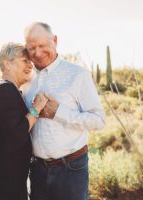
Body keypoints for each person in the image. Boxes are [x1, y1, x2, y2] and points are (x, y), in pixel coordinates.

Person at [23, 22, 106, 200]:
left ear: (55, 40)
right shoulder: (25, 80)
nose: (37, 53)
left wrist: (59, 113)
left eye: (42, 45)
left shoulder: (77, 75)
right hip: (36, 171)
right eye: (32, 48)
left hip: (71, 170)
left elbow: (99, 120)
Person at [0, 42, 49, 200]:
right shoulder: (5, 90)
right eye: (25, 61)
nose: (30, 66)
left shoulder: (4, 89)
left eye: (30, 62)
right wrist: (36, 108)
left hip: (4, 178)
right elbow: (17, 133)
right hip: (3, 184)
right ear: (7, 64)